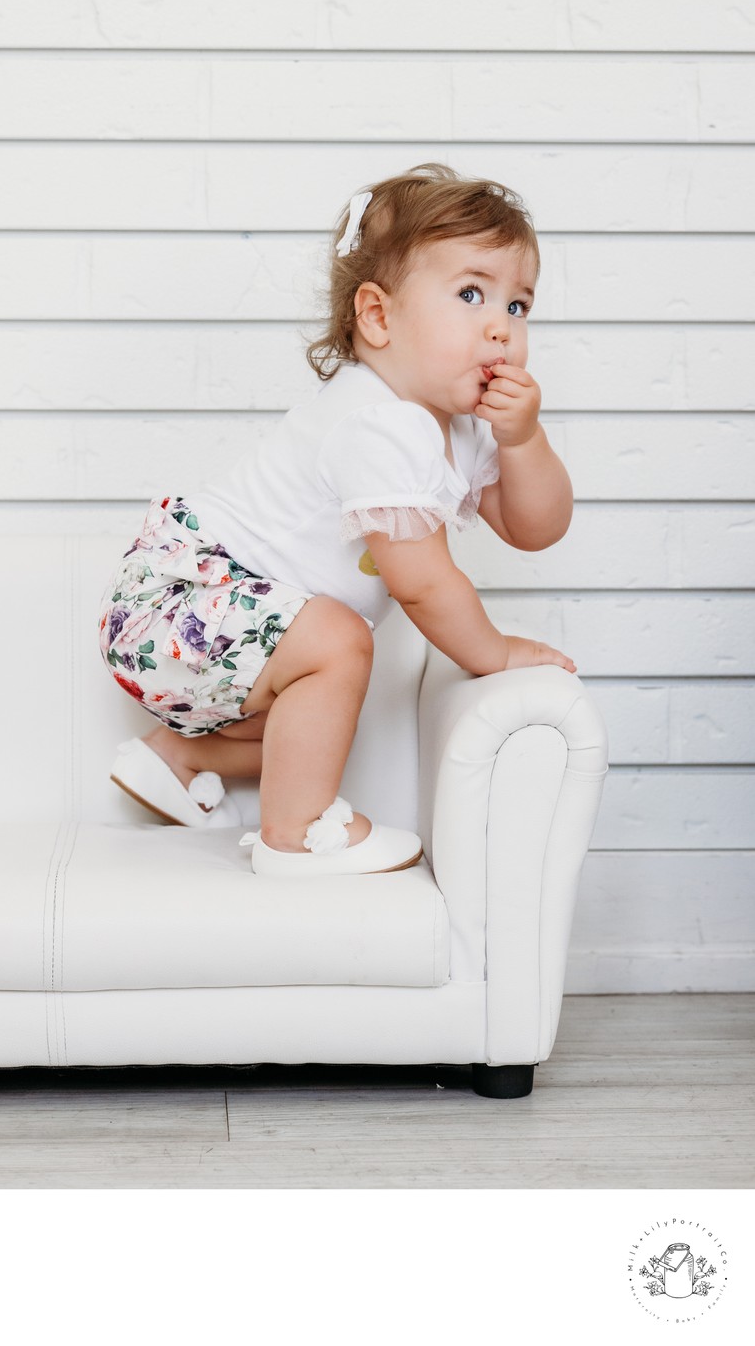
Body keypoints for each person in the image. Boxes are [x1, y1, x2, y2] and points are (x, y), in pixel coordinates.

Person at [98, 163, 576, 878]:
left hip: (222, 626)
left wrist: (523, 440)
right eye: (472, 293)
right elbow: (422, 582)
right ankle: (295, 832)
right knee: (339, 641)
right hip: (178, 605)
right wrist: (494, 653)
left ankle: (176, 757)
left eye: (518, 306)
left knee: (322, 708)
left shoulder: (458, 426)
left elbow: (536, 526)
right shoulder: (380, 424)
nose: (500, 328)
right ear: (379, 316)